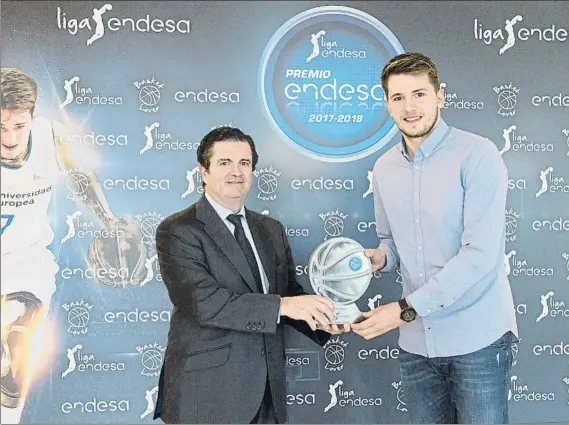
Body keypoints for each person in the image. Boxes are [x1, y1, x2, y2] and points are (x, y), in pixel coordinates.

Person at [351, 53, 518, 424]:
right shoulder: (383, 168)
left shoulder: (478, 155)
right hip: (417, 345)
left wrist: (403, 309)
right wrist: (379, 258)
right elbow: (390, 243)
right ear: (387, 104)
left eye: (419, 94)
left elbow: (479, 255)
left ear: (440, 96)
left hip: (478, 341)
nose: (409, 107)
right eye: (398, 98)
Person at [153, 126, 347, 424]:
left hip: (268, 391)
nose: (236, 172)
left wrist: (327, 320)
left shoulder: (271, 229)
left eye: (244, 163)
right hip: (207, 395)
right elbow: (205, 302)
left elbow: (288, 294)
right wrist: (284, 306)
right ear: (203, 172)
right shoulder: (178, 230)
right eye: (224, 163)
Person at [0, 67, 133, 424]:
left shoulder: (51, 139)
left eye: (18, 126)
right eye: (0, 128)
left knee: (17, 346)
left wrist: (109, 221)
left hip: (24, 264)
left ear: (32, 118)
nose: (10, 139)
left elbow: (81, 180)